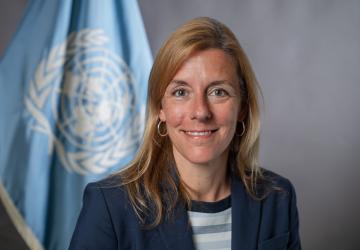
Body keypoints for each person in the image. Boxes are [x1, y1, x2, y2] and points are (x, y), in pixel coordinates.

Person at [69, 17, 301, 250]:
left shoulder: (277, 198)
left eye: (218, 91)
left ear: (242, 107)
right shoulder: (110, 205)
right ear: (160, 108)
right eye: (180, 92)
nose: (200, 112)